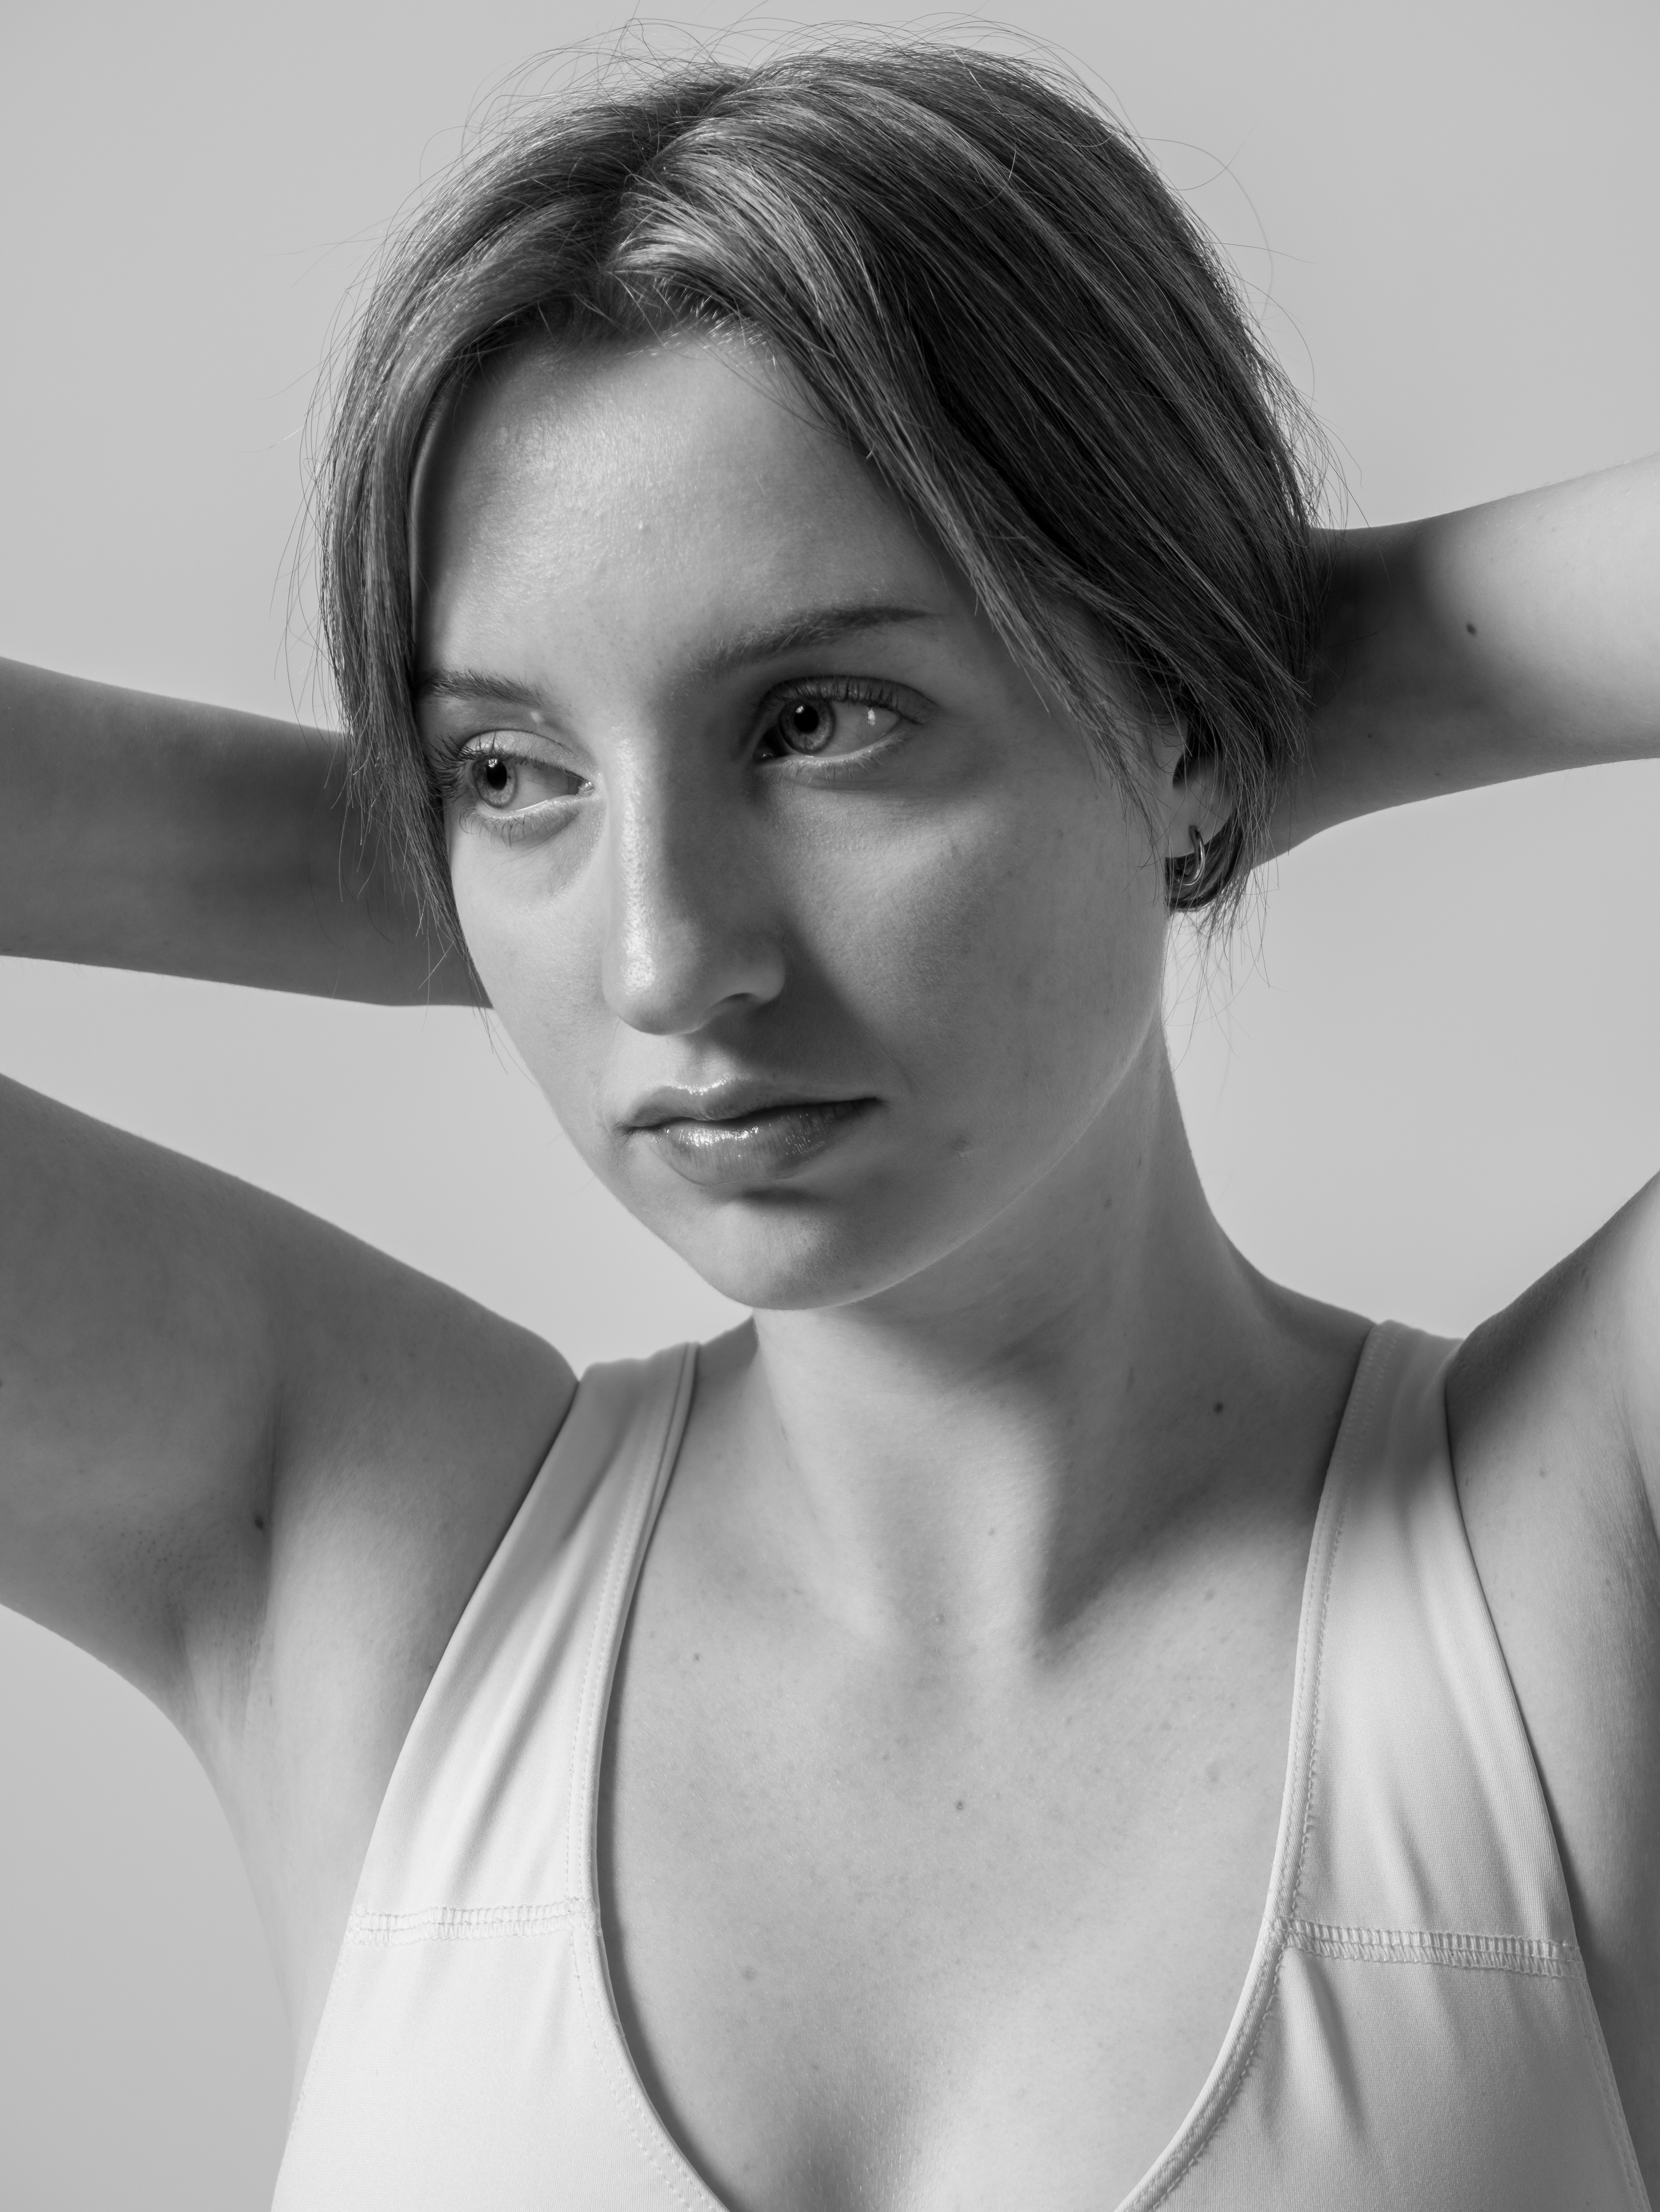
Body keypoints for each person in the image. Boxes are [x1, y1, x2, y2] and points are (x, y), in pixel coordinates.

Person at [1, 35, 1656, 2212]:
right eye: (509, 769)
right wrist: (425, 876)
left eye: (816, 721)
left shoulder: (1572, 1547)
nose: (666, 961)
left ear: (1166, 714)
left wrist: (1272, 683)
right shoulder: (352, 1542)